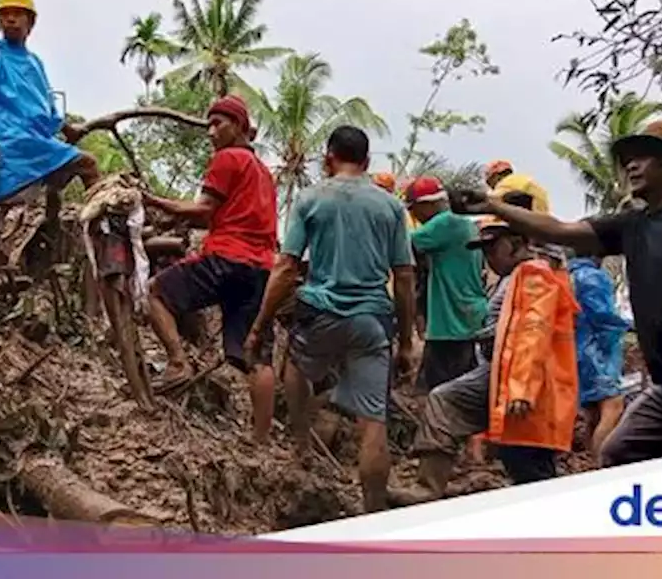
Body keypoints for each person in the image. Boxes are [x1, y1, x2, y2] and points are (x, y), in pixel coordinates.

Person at [452, 118, 662, 467]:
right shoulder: (632, 225)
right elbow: (558, 229)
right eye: (628, 158)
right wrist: (493, 207)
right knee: (621, 456)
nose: (631, 165)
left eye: (644, 157)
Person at [246, 126, 417, 513]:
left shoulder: (310, 198)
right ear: (367, 162)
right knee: (374, 422)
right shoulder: (390, 206)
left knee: (295, 366)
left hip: (320, 312)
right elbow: (405, 277)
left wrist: (259, 325)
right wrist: (406, 342)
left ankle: (301, 442)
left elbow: (287, 267)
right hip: (373, 319)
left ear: (328, 157)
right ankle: (373, 511)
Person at [392, 218, 578, 504]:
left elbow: (533, 333)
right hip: (501, 372)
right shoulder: (515, 276)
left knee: (526, 461)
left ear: (516, 244)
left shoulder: (535, 275)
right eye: (485, 251)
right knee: (446, 401)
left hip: (528, 379)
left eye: (494, 249)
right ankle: (428, 487)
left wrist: (522, 389)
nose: (489, 258)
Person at [140, 95, 278, 442]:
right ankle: (260, 437)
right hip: (260, 267)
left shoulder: (227, 159)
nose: (211, 132)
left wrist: (155, 201)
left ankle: (176, 362)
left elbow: (203, 211)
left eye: (219, 124)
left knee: (155, 291)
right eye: (209, 125)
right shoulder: (264, 173)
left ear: (240, 126)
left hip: (225, 257)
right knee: (254, 354)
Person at [0, 0, 98, 208]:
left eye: (17, 14)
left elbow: (45, 105)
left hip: (36, 145)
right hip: (9, 147)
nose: (11, 19)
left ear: (30, 22)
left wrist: (65, 128)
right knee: (23, 207)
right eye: (5, 14)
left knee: (84, 166)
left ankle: (101, 231)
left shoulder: (34, 62)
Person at [403, 176, 488, 390]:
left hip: (451, 323)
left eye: (414, 209)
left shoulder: (444, 223)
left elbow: (401, 242)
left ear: (428, 204)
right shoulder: (465, 224)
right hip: (468, 316)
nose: (414, 216)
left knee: (440, 392)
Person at [568, 249, 632, 458]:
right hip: (597, 352)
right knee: (613, 406)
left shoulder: (570, 275)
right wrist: (628, 325)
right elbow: (603, 317)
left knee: (593, 414)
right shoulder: (592, 277)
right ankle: (601, 463)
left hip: (577, 349)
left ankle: (590, 460)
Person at [485, 160, 551, 214]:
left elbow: (492, 199)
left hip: (527, 220)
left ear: (496, 176)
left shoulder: (509, 180)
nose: (492, 187)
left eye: (490, 182)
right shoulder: (523, 180)